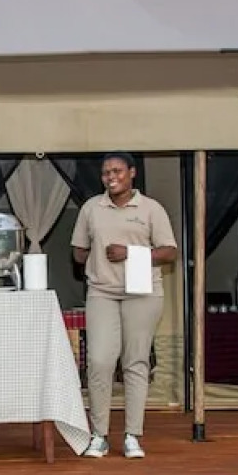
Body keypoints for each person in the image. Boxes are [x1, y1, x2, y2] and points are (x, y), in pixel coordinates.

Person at [70, 152, 179, 458]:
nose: (111, 177)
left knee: (135, 362)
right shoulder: (92, 208)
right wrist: (94, 258)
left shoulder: (151, 208)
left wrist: (130, 253)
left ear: (132, 173)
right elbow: (78, 251)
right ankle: (99, 435)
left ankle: (132, 435)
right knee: (99, 361)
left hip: (142, 293)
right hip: (102, 292)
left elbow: (169, 252)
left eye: (117, 171)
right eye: (106, 172)